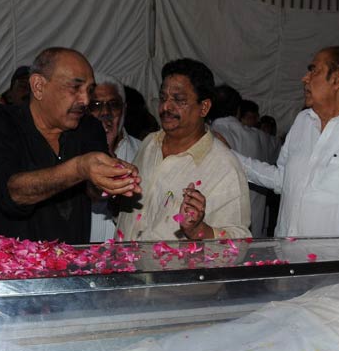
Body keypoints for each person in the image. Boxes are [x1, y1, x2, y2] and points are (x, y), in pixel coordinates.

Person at [0, 47, 140, 244]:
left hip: (69, 267)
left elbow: (94, 189)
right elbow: (11, 193)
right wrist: (81, 168)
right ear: (39, 86)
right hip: (5, 268)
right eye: (75, 88)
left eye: (89, 91)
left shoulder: (89, 127)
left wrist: (114, 178)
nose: (85, 100)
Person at [234, 47, 339, 237]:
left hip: (337, 264)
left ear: (337, 79)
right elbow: (283, 179)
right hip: (287, 258)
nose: (305, 78)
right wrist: (229, 157)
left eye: (313, 70)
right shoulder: (302, 121)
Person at [117, 59, 250, 242]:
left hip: (174, 270)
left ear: (204, 107)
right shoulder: (150, 144)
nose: (166, 107)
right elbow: (130, 212)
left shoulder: (224, 166)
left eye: (178, 100)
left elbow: (238, 243)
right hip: (124, 264)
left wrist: (198, 231)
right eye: (163, 98)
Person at [88, 73, 142, 243]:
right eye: (96, 105)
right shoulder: (71, 154)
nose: (105, 112)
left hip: (128, 259)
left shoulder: (143, 151)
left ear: (124, 109)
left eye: (114, 104)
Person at [209, 85, 268, 237]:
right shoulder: (259, 137)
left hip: (218, 232)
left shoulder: (204, 136)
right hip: (254, 229)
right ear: (238, 110)